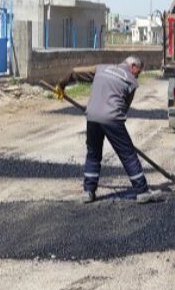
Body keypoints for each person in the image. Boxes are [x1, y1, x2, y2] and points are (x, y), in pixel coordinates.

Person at [54, 56, 162, 204]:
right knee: (128, 154)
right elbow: (124, 109)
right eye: (139, 71)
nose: (138, 74)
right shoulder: (131, 81)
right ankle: (142, 191)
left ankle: (88, 192)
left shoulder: (101, 68)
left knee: (93, 153)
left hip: (92, 116)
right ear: (133, 66)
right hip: (112, 119)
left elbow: (74, 72)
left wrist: (61, 85)